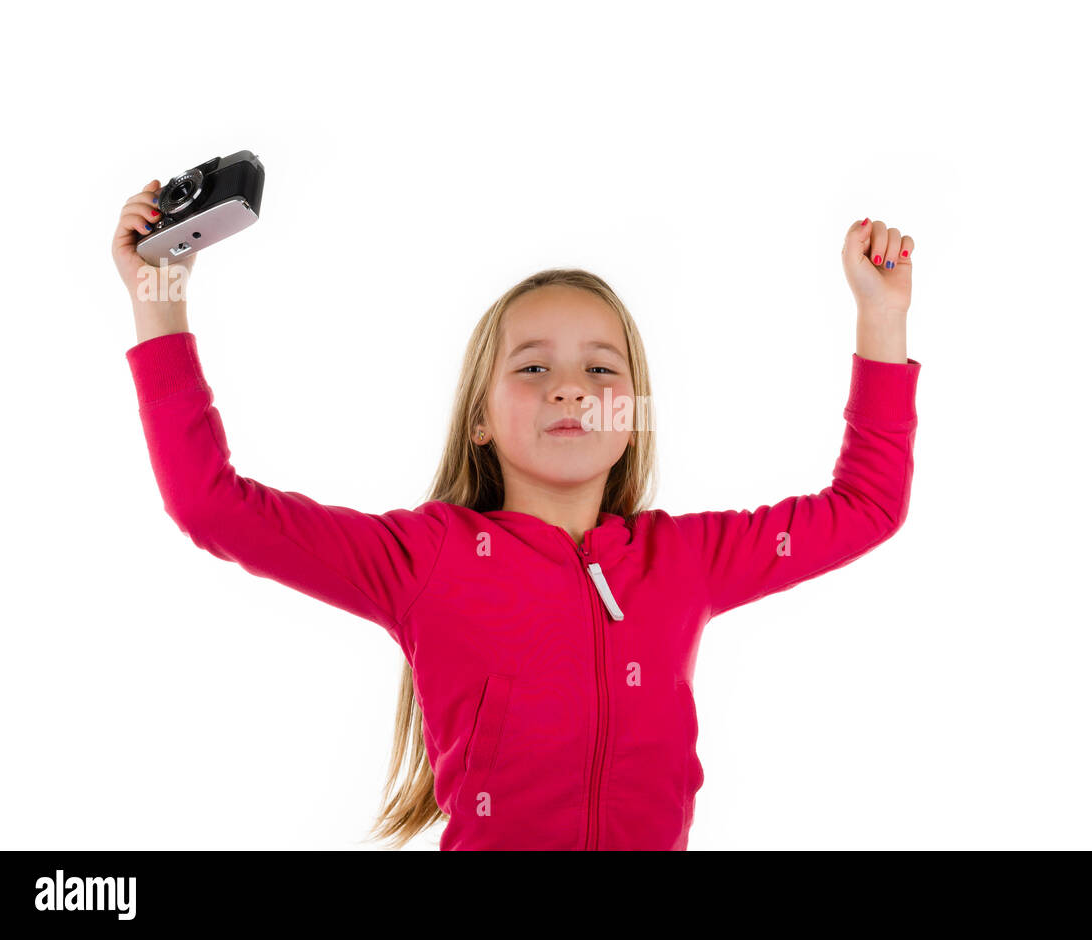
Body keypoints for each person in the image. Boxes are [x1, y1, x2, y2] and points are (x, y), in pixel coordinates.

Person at [112, 179, 922, 850]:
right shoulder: (421, 560)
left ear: (632, 412)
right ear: (480, 417)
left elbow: (866, 507)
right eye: (533, 367)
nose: (569, 387)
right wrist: (158, 294)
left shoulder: (686, 558)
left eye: (600, 369)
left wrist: (881, 319)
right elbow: (210, 503)